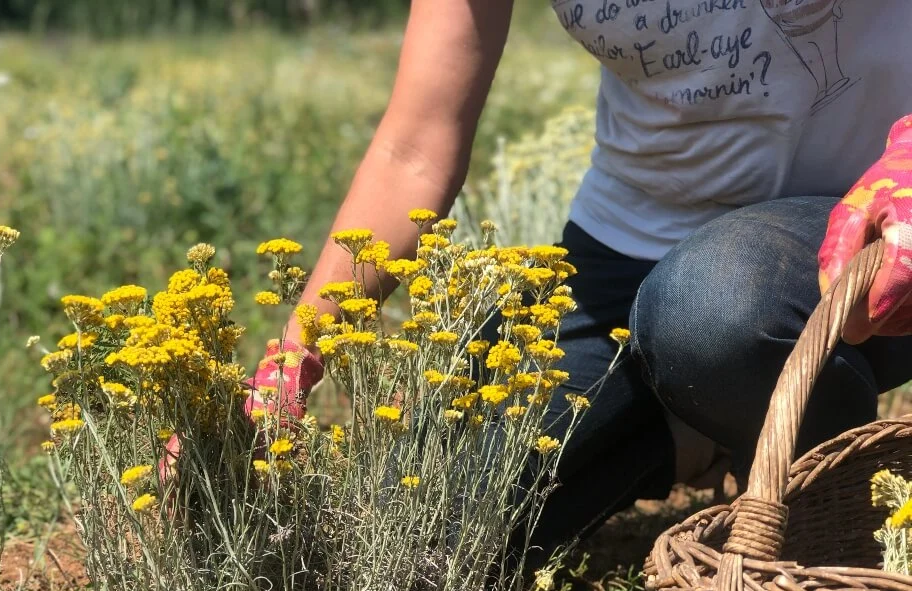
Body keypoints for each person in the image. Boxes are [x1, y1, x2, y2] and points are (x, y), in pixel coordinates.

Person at [240, 0, 912, 556]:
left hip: (872, 216)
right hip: (626, 250)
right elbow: (414, 150)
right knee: (417, 539)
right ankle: (690, 417)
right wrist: (294, 360)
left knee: (713, 309)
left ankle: (833, 514)